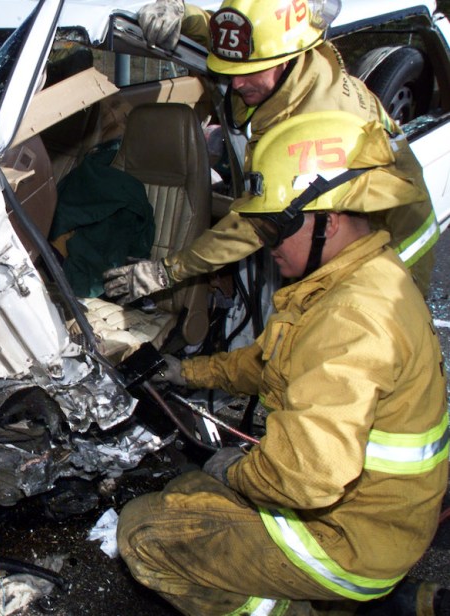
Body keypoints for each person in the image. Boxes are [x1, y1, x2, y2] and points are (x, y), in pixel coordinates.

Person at [117, 111, 449, 616]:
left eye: (273, 229)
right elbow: (271, 364)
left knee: (145, 532)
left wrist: (239, 473)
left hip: (349, 540)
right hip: (379, 514)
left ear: (329, 221)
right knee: (188, 490)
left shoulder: (353, 318)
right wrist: (187, 373)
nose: (264, 245)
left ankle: (309, 605)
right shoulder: (357, 276)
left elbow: (306, 477)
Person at [103, 0, 438, 301]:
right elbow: (233, 41)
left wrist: (167, 271)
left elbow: (256, 223)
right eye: (231, 73)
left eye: (248, 74)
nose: (235, 84)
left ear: (286, 59)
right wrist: (182, 12)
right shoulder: (284, 54)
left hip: (393, 244)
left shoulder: (316, 121)